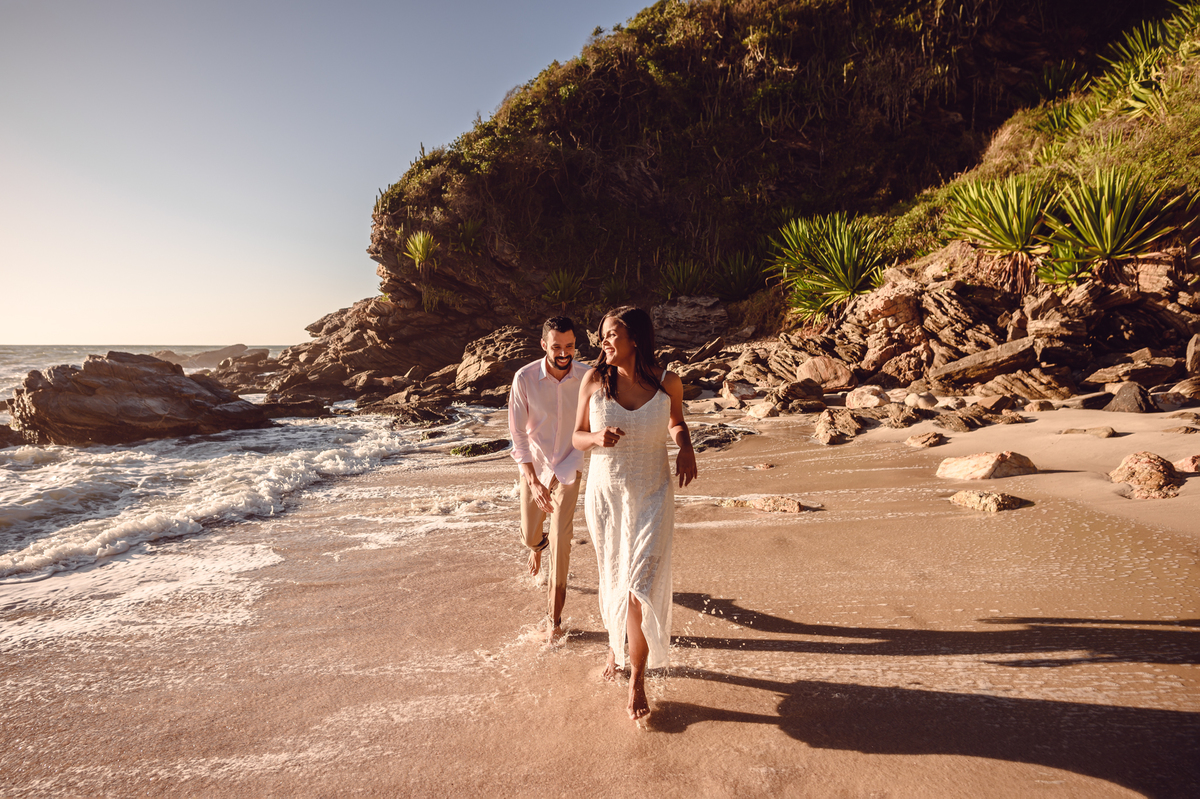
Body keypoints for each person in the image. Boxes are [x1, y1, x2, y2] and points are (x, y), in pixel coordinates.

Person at [572, 306, 697, 721]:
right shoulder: (594, 380)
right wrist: (595, 436)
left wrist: (685, 446)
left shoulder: (667, 382)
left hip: (653, 493)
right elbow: (576, 437)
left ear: (636, 339)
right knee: (614, 580)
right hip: (606, 497)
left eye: (611, 334)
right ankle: (615, 646)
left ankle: (637, 678)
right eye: (603, 335)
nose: (603, 341)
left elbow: (676, 422)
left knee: (638, 587)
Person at [508, 316, 592, 643]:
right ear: (544, 345)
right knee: (531, 535)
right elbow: (517, 434)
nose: (564, 353)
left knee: (561, 537)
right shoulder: (525, 378)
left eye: (569, 346)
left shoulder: (587, 377)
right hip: (536, 465)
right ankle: (536, 546)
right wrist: (532, 481)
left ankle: (553, 620)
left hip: (570, 464)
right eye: (557, 346)